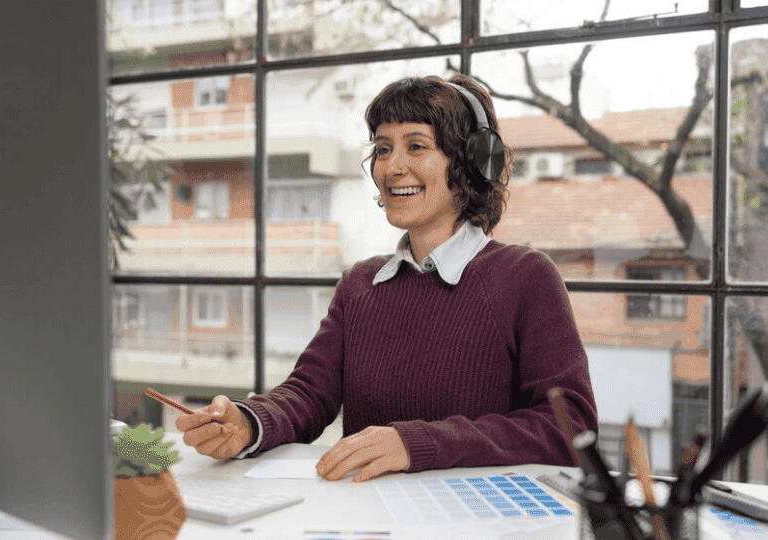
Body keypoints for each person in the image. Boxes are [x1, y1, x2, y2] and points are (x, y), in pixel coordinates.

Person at [176, 74, 598, 483]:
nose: (393, 167)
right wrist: (248, 422)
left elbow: (568, 426)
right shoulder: (360, 284)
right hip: (367, 514)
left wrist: (415, 444)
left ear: (471, 162)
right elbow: (310, 393)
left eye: (416, 146)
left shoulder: (526, 277)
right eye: (382, 148)